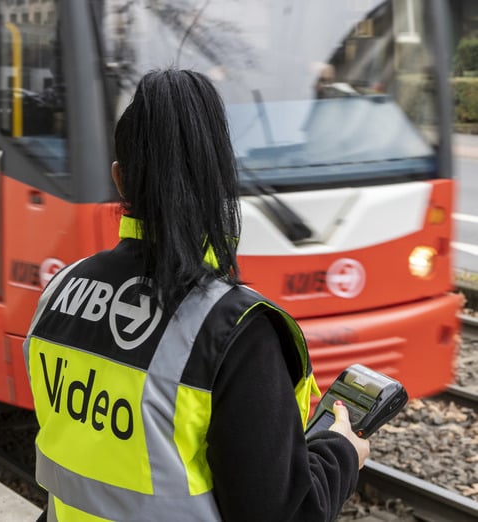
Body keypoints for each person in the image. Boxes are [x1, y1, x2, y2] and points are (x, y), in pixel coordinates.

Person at [24, 69, 369, 521]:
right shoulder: (236, 331)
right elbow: (285, 512)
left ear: (120, 181)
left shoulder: (60, 294)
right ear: (223, 180)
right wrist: (343, 451)